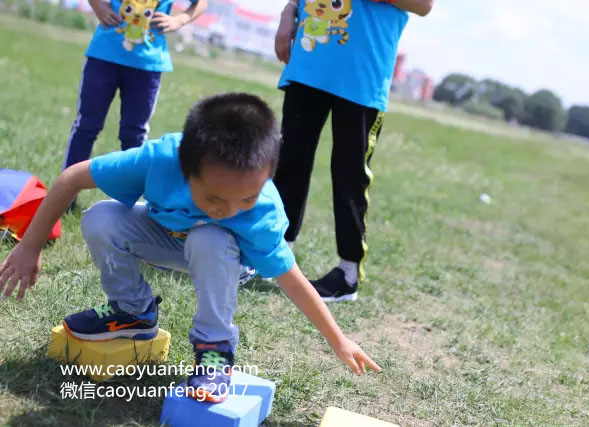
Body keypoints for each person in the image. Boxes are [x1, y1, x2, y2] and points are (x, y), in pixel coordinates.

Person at [0, 93, 381, 403]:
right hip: (168, 237)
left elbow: (292, 279)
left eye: (244, 199)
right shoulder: (159, 160)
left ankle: (215, 350)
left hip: (228, 259)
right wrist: (29, 247)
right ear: (186, 167)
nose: (229, 209)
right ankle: (133, 313)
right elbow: (70, 179)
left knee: (211, 235)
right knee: (101, 217)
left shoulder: (261, 211)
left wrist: (339, 340)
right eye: (214, 197)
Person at [273, 0, 433, 302]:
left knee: (349, 173)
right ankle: (276, 257)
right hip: (311, 57)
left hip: (362, 71)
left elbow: (424, 5)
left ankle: (347, 274)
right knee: (290, 160)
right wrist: (289, 10)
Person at [63, 0, 206, 199]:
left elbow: (201, 3)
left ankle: (126, 204)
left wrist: (179, 20)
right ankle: (64, 195)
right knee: (87, 125)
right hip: (104, 56)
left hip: (147, 66)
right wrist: (98, 6)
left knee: (134, 134)